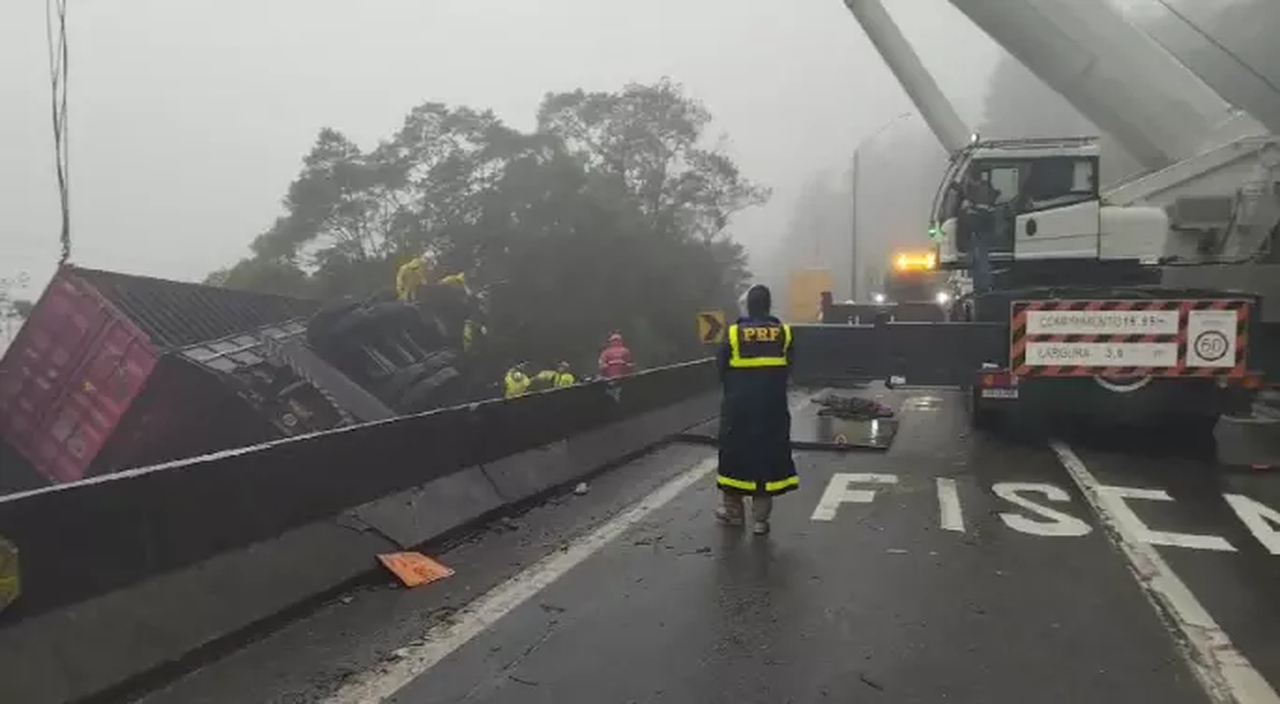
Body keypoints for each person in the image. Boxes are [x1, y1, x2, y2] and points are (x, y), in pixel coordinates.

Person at [715, 284, 797, 535]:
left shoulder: (732, 333)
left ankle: (734, 513)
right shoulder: (784, 333)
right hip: (772, 409)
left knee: (734, 458)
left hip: (739, 409)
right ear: (768, 305)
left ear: (748, 306)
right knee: (767, 459)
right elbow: (790, 369)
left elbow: (720, 368)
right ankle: (761, 520)